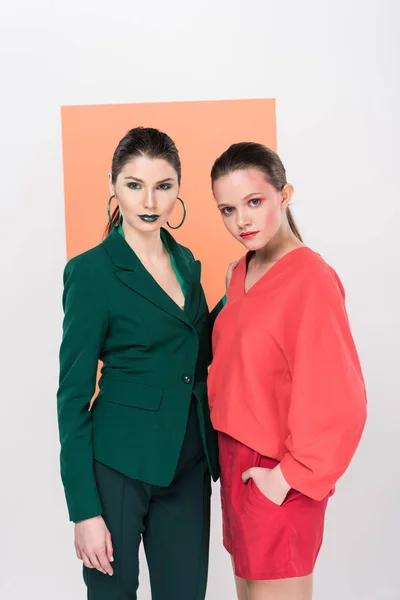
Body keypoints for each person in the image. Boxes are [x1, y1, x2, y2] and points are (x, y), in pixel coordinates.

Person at [57, 127, 218, 600]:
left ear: (177, 191)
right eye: (134, 184)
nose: (149, 200)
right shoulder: (90, 272)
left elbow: (201, 355)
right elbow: (71, 397)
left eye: (163, 186)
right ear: (114, 187)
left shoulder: (188, 263)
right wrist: (84, 511)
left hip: (188, 465)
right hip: (118, 469)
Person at [207, 142, 367, 600]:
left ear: (284, 194)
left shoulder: (310, 277)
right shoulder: (237, 273)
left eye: (254, 202)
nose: (242, 220)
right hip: (237, 469)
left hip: (279, 473)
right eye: (228, 209)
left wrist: (286, 478)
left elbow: (342, 399)